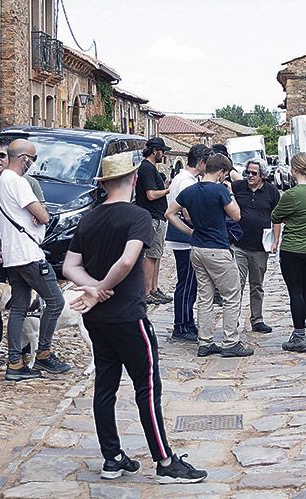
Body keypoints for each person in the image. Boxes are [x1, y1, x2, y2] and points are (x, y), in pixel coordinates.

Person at [62, 151, 209, 485]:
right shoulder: (138, 216)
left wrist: (93, 289)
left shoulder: (90, 218)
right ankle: (165, 461)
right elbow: (128, 262)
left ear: (104, 184)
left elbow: (69, 266)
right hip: (128, 315)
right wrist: (101, 288)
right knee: (147, 387)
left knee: (106, 386)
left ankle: (111, 458)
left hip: (97, 318)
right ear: (134, 180)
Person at [165, 153, 253, 358]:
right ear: (221, 172)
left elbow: (169, 213)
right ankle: (231, 341)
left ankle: (205, 342)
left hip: (197, 248)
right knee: (232, 295)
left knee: (204, 297)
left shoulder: (190, 190)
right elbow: (237, 215)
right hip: (217, 248)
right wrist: (230, 194)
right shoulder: (220, 190)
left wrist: (190, 232)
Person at [0, 138, 69, 379]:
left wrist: (35, 215)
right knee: (56, 301)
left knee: (18, 308)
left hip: (13, 255)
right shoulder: (18, 182)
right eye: (34, 159)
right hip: (29, 254)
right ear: (25, 159)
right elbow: (43, 215)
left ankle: (15, 363)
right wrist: (39, 214)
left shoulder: (1, 181)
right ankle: (44, 354)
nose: (33, 164)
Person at [0, 137, 47, 364]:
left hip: (20, 253)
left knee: (23, 302)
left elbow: (41, 211)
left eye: (1, 155)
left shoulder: (29, 183)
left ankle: (24, 350)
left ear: (13, 158)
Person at [270, 153, 306, 352]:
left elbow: (275, 215)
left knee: (295, 292)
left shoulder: (292, 195)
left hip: (292, 248)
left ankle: (299, 335)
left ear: (293, 170)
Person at [164, 144, 210, 342]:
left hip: (182, 237)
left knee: (188, 282)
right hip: (184, 237)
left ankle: (186, 322)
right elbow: (187, 211)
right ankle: (181, 325)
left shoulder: (183, 179)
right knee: (187, 283)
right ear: (201, 163)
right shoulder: (186, 182)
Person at [231, 158, 280, 334]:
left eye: (254, 173)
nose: (249, 176)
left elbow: (277, 217)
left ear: (262, 176)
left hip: (260, 247)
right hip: (239, 245)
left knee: (257, 285)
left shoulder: (271, 191)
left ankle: (257, 319)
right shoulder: (238, 188)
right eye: (248, 172)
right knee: (237, 284)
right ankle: (232, 319)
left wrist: (275, 240)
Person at [136, 138, 172, 305]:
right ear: (154, 150)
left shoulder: (151, 169)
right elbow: (151, 194)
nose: (163, 154)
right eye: (162, 150)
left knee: (156, 255)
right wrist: (167, 190)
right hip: (152, 216)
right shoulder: (146, 168)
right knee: (150, 256)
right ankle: (146, 291)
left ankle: (154, 288)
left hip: (158, 216)